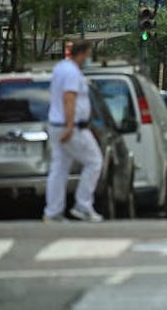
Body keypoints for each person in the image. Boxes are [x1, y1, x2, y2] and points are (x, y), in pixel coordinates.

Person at [44, 40, 104, 222]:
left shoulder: (61, 68)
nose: (88, 58)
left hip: (56, 124)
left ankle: (53, 212)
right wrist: (70, 126)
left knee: (59, 168)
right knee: (94, 161)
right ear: (83, 53)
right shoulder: (72, 73)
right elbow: (69, 99)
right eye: (88, 54)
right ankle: (83, 205)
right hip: (72, 126)